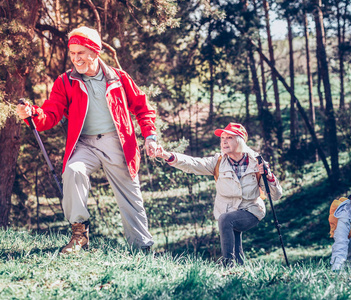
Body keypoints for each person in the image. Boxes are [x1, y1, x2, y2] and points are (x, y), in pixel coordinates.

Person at [16, 26, 158, 253]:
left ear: (95, 52)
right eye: (72, 53)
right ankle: (80, 236)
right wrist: (33, 113)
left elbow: (143, 108)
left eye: (80, 52)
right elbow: (50, 115)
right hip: (85, 143)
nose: (75, 58)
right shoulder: (65, 81)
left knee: (131, 197)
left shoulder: (119, 78)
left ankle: (142, 248)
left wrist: (150, 135)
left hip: (117, 142)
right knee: (73, 170)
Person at [155, 122, 283, 267]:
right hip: (228, 209)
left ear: (240, 141)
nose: (224, 141)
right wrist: (167, 155)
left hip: (251, 210)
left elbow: (276, 195)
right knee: (231, 227)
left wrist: (269, 175)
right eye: (222, 138)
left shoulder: (256, 163)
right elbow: (193, 164)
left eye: (229, 137)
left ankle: (227, 266)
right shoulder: (218, 161)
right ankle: (239, 271)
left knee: (226, 220)